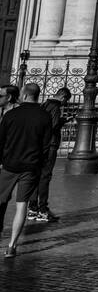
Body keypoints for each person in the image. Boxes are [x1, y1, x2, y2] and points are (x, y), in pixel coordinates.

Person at [0, 83, 53, 258]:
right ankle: (12, 245)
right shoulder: (45, 117)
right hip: (30, 166)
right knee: (21, 206)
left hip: (9, 165)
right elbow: (46, 146)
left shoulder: (11, 115)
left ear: (23, 94)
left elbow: (1, 142)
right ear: (38, 95)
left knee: (1, 201)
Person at [28, 85, 69, 223]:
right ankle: (43, 210)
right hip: (50, 145)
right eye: (66, 101)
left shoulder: (44, 104)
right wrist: (63, 121)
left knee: (36, 175)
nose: (65, 104)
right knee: (45, 176)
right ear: (62, 97)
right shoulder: (56, 108)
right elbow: (53, 126)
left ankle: (32, 207)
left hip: (39, 145)